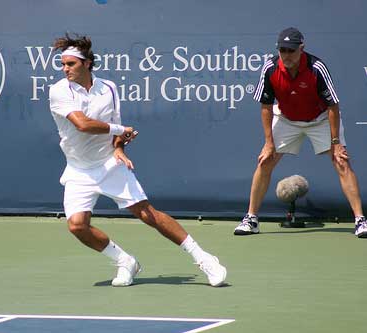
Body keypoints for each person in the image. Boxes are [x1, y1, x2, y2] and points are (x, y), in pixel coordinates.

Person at [48, 33, 227, 287]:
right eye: (63, 64)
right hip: (79, 169)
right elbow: (83, 125)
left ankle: (205, 259)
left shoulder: (108, 88)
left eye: (71, 64)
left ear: (87, 63)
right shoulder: (58, 91)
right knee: (77, 226)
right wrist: (119, 132)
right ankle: (125, 261)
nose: (65, 69)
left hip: (109, 163)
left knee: (147, 214)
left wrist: (119, 148)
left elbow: (116, 123)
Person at [234, 27, 366, 238]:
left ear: (301, 49)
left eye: (290, 50)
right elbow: (266, 106)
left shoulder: (317, 68)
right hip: (286, 119)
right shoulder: (270, 67)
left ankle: (360, 220)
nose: (286, 55)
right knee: (265, 161)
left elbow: (333, 106)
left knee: (341, 161)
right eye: (282, 50)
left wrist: (335, 142)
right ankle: (251, 219)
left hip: (320, 119)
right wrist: (269, 142)